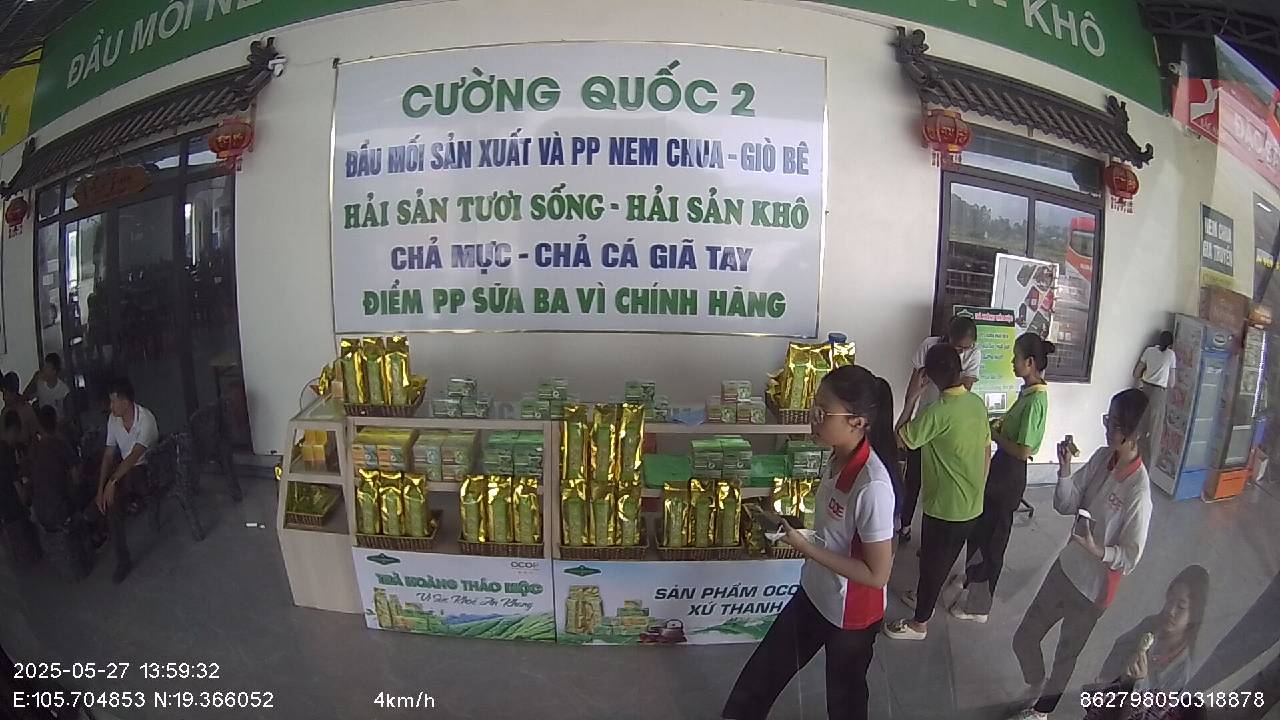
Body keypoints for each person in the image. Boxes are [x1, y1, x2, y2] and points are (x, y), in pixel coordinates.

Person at [723, 365, 900, 720]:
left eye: (823, 412)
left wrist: (805, 548)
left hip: (851, 614)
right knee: (762, 676)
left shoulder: (873, 486)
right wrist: (796, 531)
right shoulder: (835, 458)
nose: (813, 418)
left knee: (845, 703)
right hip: (816, 591)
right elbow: (838, 536)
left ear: (857, 422)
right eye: (814, 407)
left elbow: (877, 574)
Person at [1009, 388, 1154, 720]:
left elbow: (1131, 557)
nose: (1107, 429)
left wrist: (1097, 549)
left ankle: (1042, 711)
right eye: (1107, 420)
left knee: (1066, 656)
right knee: (1024, 637)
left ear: (1135, 433)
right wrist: (1063, 470)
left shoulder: (1139, 491)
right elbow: (1066, 504)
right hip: (1066, 567)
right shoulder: (1103, 457)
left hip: (1093, 592)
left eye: (1115, 425)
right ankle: (1036, 683)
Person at [885, 343, 990, 641]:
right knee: (943, 560)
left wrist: (911, 398)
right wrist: (978, 489)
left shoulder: (937, 412)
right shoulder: (976, 404)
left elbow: (900, 438)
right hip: (972, 502)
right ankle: (924, 599)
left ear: (929, 376)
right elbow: (986, 452)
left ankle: (919, 624)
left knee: (932, 564)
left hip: (945, 507)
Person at [952, 334, 1053, 623]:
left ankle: (978, 606)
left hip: (1010, 474)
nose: (1012, 362)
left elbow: (1023, 450)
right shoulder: (1028, 393)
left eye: (1016, 357)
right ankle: (972, 578)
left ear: (1030, 362)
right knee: (980, 531)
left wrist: (995, 435)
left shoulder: (1036, 401)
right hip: (1000, 469)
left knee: (993, 542)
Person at [897, 315, 982, 544]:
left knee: (940, 481)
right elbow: (915, 385)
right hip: (927, 417)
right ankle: (905, 525)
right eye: (957, 347)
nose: (961, 352)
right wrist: (911, 405)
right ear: (948, 338)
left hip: (948, 423)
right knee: (913, 478)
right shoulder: (929, 346)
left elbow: (962, 391)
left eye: (966, 349)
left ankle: (932, 537)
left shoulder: (974, 354)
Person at [1085, 566, 1210, 720]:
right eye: (1170, 600)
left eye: (1181, 607)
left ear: (1194, 614)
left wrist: (1138, 682)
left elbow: (1152, 714)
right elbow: (1119, 647)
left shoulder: (1180, 670)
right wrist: (1116, 672)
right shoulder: (1151, 624)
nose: (1171, 610)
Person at [92, 378, 158, 583]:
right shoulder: (114, 420)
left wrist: (112, 482)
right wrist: (100, 488)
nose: (110, 406)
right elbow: (108, 454)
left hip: (147, 468)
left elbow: (135, 456)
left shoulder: (146, 420)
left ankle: (103, 525)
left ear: (126, 402)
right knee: (109, 499)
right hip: (126, 471)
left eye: (113, 402)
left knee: (119, 489)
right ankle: (120, 555)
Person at [29, 406, 78, 533]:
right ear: (56, 420)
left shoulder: (35, 449)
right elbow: (76, 477)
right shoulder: (60, 444)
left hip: (40, 511)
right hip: (60, 508)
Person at [1132, 331, 1176, 465]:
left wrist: (1147, 376)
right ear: (1170, 344)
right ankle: (1147, 466)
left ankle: (1132, 460)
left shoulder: (1149, 351)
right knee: (1154, 433)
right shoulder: (1170, 355)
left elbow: (1136, 373)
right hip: (1159, 393)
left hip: (1144, 390)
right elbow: (1172, 382)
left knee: (1139, 427)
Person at [23, 353, 70, 418]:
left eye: (47, 367)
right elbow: (25, 397)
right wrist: (33, 381)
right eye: (44, 366)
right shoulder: (39, 383)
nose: (44, 369)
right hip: (43, 421)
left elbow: (68, 415)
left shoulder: (64, 390)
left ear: (54, 371)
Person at [1, 372, 38, 447]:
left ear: (13, 393)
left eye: (5, 393)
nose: (3, 398)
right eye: (3, 393)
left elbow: (34, 437)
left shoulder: (27, 409)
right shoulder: (5, 411)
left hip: (24, 449)